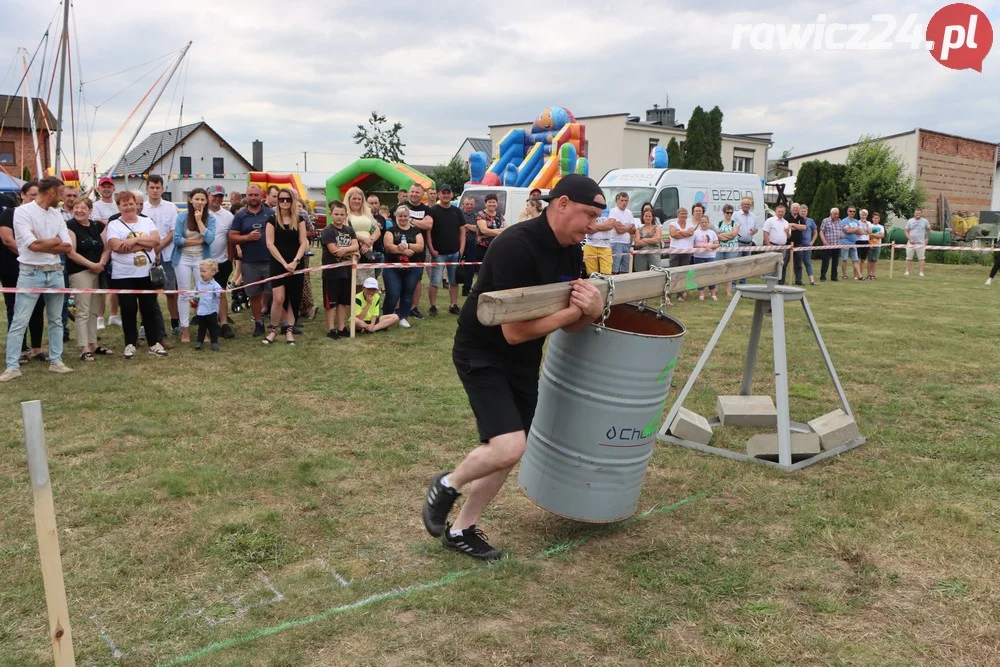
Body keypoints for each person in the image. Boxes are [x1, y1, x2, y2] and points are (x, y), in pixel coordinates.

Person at [421, 174, 605, 560]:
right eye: (588, 214)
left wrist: (592, 311)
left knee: (508, 451)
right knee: (508, 445)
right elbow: (515, 332)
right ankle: (447, 484)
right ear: (562, 203)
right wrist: (574, 310)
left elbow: (572, 324)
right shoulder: (514, 246)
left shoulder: (572, 252)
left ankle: (461, 529)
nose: (593, 225)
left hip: (523, 359)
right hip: (482, 353)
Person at [0, 177, 75, 382]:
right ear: (51, 192)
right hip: (30, 272)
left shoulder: (57, 214)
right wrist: (53, 241)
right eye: (60, 194)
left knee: (56, 319)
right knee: (20, 319)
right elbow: (32, 245)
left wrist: (46, 242)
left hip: (55, 271)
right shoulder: (22, 212)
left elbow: (67, 246)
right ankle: (12, 366)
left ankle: (56, 361)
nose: (61, 199)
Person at [105, 190, 168, 359]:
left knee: (149, 309)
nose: (128, 207)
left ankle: (154, 343)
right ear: (118, 206)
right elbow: (116, 246)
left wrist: (132, 241)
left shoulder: (146, 221)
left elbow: (155, 241)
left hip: (146, 273)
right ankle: (130, 343)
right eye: (124, 204)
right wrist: (143, 245)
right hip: (123, 275)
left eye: (131, 204)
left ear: (137, 205)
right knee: (128, 309)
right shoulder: (114, 224)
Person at [1, 181, 47, 364]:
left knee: (37, 308)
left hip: (38, 268)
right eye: (32, 195)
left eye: (38, 195)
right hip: (12, 268)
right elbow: (7, 239)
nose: (35, 199)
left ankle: (36, 348)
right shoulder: (9, 214)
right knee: (16, 308)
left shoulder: (40, 216)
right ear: (22, 195)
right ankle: (19, 349)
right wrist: (28, 254)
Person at [65, 197, 112, 361]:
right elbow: (71, 252)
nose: (79, 210)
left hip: (97, 272)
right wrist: (91, 265)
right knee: (83, 311)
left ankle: (93, 343)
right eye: (76, 207)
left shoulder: (97, 226)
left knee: (94, 311)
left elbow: (107, 248)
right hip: (80, 272)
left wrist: (101, 263)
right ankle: (83, 347)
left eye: (83, 207)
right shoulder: (69, 226)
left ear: (90, 210)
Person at [263, 189, 309, 345]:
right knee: (278, 298)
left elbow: (304, 242)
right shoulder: (271, 220)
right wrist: (284, 263)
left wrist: (295, 261)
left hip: (296, 263)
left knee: (294, 299)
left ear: (292, 201)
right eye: (281, 199)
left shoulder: (300, 219)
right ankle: (274, 329)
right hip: (278, 263)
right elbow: (269, 243)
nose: (284, 202)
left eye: (287, 199)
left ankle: (289, 330)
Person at [171, 188, 216, 343]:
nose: (199, 202)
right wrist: (196, 241)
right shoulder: (182, 216)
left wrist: (199, 221)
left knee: (203, 294)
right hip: (182, 258)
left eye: (203, 199)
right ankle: (185, 330)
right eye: (196, 199)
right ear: (190, 200)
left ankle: (205, 330)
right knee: (184, 294)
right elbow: (176, 239)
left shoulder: (210, 219)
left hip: (201, 259)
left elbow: (209, 239)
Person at [229, 184, 273, 336]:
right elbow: (232, 236)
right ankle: (258, 323)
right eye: (250, 195)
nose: (253, 198)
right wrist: (247, 237)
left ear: (262, 196)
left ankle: (279, 323)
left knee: (275, 292)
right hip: (250, 261)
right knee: (254, 294)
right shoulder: (240, 215)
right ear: (246, 196)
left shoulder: (270, 213)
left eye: (256, 195)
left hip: (269, 260)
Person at [144, 175, 180, 335]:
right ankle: (146, 325)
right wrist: (152, 250)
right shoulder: (142, 208)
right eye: (152, 187)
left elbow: (174, 231)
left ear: (162, 189)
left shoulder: (170, 207)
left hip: (168, 254)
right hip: (146, 255)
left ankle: (175, 324)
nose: (155, 190)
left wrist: (158, 248)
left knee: (171, 291)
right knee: (146, 293)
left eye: (157, 187)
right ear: (147, 189)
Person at [382, 204, 424, 329]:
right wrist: (403, 251)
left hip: (412, 268)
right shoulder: (390, 231)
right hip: (392, 268)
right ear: (396, 216)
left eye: (405, 216)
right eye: (400, 216)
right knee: (393, 293)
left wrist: (407, 246)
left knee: (407, 293)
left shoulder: (416, 230)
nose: (403, 218)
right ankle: (387, 317)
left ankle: (403, 317)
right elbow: (389, 246)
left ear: (409, 217)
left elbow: (420, 247)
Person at [321, 200, 358, 339]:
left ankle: (342, 327)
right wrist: (351, 252)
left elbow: (356, 246)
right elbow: (333, 250)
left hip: (347, 272)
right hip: (331, 273)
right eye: (336, 214)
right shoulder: (328, 231)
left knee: (343, 301)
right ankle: (331, 329)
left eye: (342, 214)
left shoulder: (349, 230)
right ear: (331, 214)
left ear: (346, 215)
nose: (339, 217)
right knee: (331, 303)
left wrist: (346, 250)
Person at [427, 184, 465, 315]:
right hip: (438, 253)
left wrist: (461, 250)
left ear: (452, 194)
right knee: (434, 281)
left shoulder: (457, 211)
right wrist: (431, 249)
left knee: (454, 281)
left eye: (448, 193)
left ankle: (453, 304)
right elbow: (428, 232)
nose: (446, 195)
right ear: (438, 194)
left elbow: (462, 231)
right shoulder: (433, 211)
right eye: (443, 193)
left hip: (455, 253)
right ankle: (433, 306)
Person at [397, 184, 433, 320]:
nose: (414, 194)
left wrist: (410, 220)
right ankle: (398, 307)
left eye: (417, 192)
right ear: (409, 192)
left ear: (422, 194)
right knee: (399, 278)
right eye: (412, 191)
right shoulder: (401, 205)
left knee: (417, 280)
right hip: (400, 249)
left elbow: (428, 225)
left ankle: (414, 308)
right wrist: (420, 222)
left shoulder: (426, 209)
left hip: (418, 249)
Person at [206, 185, 236, 337]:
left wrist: (230, 259)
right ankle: (209, 323)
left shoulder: (228, 216)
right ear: (208, 195)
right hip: (204, 262)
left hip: (221, 260)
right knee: (205, 293)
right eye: (214, 195)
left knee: (221, 292)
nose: (217, 199)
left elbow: (230, 239)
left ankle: (224, 323)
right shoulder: (201, 213)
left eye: (220, 196)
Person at [345, 186, 379, 287]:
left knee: (367, 284)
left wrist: (370, 241)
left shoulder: (367, 213)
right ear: (349, 199)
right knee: (354, 284)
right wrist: (364, 240)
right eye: (354, 198)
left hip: (368, 252)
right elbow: (346, 230)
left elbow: (377, 230)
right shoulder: (345, 213)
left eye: (359, 199)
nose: (357, 201)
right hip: (353, 251)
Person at [191, 258, 223, 351]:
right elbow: (195, 294)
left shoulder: (215, 285)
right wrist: (194, 299)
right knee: (201, 328)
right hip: (201, 311)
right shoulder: (198, 284)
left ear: (213, 272)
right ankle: (199, 342)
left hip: (211, 311)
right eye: (200, 271)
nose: (201, 273)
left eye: (204, 271)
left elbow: (218, 293)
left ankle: (214, 342)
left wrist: (219, 293)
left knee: (213, 328)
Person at [668, 206, 696, 300]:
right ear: (677, 215)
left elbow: (691, 233)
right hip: (675, 251)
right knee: (673, 272)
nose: (683, 215)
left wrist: (680, 232)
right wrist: (685, 233)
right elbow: (673, 234)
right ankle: (669, 293)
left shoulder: (690, 225)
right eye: (682, 214)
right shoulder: (673, 224)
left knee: (683, 273)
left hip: (687, 251)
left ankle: (680, 294)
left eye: (685, 214)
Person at [608, 191, 637, 274]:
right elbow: (618, 230)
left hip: (627, 243)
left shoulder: (629, 212)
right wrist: (628, 227)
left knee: (625, 268)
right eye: (622, 200)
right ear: (617, 201)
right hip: (616, 242)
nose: (624, 202)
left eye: (626, 200)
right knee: (615, 268)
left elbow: (633, 230)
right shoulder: (614, 211)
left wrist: (624, 227)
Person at [715, 204, 741, 296]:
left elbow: (734, 234)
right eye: (727, 212)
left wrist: (723, 234)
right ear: (724, 213)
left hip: (732, 249)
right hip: (720, 248)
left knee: (730, 268)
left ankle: (728, 290)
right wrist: (726, 235)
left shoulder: (735, 223)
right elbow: (716, 235)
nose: (729, 214)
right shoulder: (719, 223)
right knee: (718, 268)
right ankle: (716, 289)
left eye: (731, 212)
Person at [693, 214, 720, 300]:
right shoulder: (695, 232)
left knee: (711, 274)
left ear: (708, 223)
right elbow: (693, 245)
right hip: (698, 256)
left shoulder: (712, 233)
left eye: (705, 222)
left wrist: (711, 247)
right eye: (702, 222)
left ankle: (713, 294)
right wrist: (702, 247)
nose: (704, 224)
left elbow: (717, 244)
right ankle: (701, 294)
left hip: (710, 256)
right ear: (699, 223)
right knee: (700, 275)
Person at [582, 203, 614, 276]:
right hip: (590, 245)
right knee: (591, 274)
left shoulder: (610, 210)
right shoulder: (589, 209)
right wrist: (603, 226)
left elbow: (610, 226)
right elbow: (587, 228)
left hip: (605, 245)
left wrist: (594, 227)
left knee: (606, 274)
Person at [475, 193, 505, 269]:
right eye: (489, 202)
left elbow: (507, 229)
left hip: (497, 246)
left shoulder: (499, 215)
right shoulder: (481, 214)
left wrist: (491, 232)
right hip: (483, 248)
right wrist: (500, 232)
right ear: (485, 203)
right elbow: (484, 230)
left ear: (497, 203)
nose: (492, 204)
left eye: (494, 202)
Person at [763, 204, 791, 284]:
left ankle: (777, 282)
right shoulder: (770, 220)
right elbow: (765, 233)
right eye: (779, 211)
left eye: (782, 212)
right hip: (772, 245)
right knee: (770, 264)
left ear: (785, 212)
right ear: (775, 211)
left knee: (780, 265)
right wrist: (768, 245)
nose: (781, 213)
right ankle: (768, 282)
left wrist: (787, 233)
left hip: (782, 247)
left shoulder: (786, 222)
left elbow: (789, 237)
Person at [733, 196, 757, 285]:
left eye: (748, 204)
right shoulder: (736, 215)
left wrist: (755, 231)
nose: (746, 206)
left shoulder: (753, 216)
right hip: (739, 242)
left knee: (746, 264)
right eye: (744, 204)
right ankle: (733, 283)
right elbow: (732, 227)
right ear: (741, 205)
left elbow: (756, 228)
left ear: (751, 205)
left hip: (749, 243)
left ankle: (743, 283)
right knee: (737, 264)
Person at [631, 203, 662, 272]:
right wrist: (651, 240)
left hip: (654, 256)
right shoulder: (638, 230)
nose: (648, 218)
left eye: (649, 216)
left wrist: (644, 239)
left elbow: (657, 240)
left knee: (656, 274)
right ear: (643, 217)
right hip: (641, 257)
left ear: (652, 217)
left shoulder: (657, 228)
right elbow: (637, 243)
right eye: (646, 216)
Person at [793, 203, 818, 286]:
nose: (803, 212)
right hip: (798, 244)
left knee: (807, 262)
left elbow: (815, 232)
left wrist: (812, 242)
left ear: (807, 212)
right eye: (802, 211)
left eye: (805, 211)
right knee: (798, 263)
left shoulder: (810, 221)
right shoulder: (797, 220)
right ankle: (798, 280)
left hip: (807, 245)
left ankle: (812, 281)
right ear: (799, 211)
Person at [459, 196, 479, 296]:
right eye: (467, 204)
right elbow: (457, 228)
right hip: (459, 243)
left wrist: (466, 226)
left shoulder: (476, 216)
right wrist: (468, 227)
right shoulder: (459, 214)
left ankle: (466, 289)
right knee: (457, 266)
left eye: (471, 204)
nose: (469, 206)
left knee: (470, 267)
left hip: (472, 244)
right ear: (463, 204)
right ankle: (452, 284)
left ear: (474, 205)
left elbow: (478, 229)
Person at [904, 208, 931, 277]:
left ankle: (921, 272)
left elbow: (929, 230)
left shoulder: (925, 221)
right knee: (908, 258)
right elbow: (906, 231)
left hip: (921, 243)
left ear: (921, 214)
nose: (917, 215)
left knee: (921, 258)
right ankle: (907, 271)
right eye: (916, 213)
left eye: (919, 213)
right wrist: (910, 239)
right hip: (911, 243)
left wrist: (927, 238)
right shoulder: (910, 221)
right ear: (914, 213)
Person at [819, 207, 843, 281]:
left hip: (837, 245)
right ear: (831, 214)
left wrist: (841, 234)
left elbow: (840, 231)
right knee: (825, 262)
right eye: (835, 214)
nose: (836, 216)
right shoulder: (826, 221)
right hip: (828, 245)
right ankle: (823, 277)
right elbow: (821, 232)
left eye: (838, 214)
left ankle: (834, 277)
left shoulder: (839, 221)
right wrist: (824, 242)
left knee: (835, 262)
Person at [840, 206, 862, 280]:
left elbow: (859, 232)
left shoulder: (856, 221)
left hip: (853, 242)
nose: (852, 212)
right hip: (845, 242)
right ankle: (844, 275)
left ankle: (860, 275)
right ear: (847, 212)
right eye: (850, 211)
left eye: (853, 211)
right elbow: (847, 231)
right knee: (844, 259)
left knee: (855, 260)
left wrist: (853, 230)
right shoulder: (844, 221)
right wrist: (855, 229)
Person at [866, 211, 884, 280]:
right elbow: (868, 235)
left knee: (874, 261)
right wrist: (875, 236)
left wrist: (873, 235)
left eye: (877, 218)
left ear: (879, 219)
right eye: (875, 218)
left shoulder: (881, 227)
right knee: (869, 260)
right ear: (872, 219)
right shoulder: (870, 226)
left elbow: (882, 235)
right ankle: (869, 274)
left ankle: (873, 275)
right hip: (870, 245)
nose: (876, 219)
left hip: (877, 245)